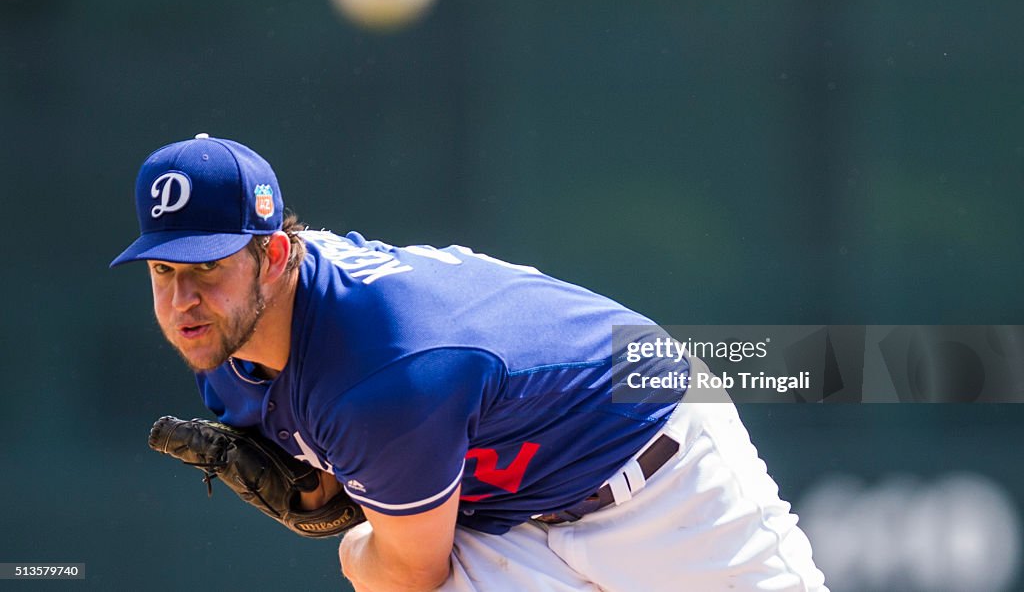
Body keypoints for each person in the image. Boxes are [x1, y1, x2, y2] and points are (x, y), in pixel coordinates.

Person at [112, 133, 829, 592]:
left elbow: (408, 568)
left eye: (206, 266)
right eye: (162, 270)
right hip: (502, 519)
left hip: (657, 471)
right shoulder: (224, 340)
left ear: (272, 256)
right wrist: (314, 492)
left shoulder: (381, 371)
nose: (183, 298)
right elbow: (335, 457)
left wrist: (352, 540)